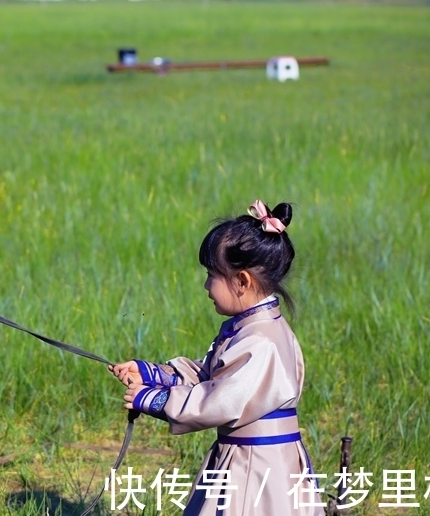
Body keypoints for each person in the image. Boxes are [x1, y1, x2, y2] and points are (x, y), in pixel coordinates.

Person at [110, 200, 323, 515]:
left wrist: (154, 399)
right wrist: (154, 374)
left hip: (257, 466)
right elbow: (213, 376)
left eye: (212, 275)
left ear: (241, 281)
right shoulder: (252, 329)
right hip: (246, 457)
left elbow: (219, 401)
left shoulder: (261, 341)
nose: (206, 285)